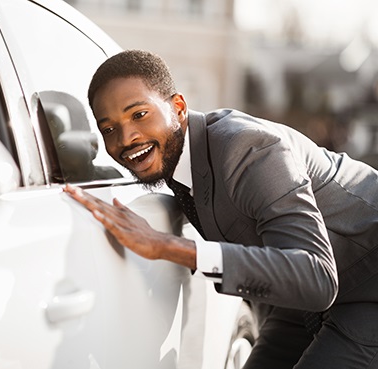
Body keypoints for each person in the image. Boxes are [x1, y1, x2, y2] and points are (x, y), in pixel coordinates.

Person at [64, 49, 378, 369]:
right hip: (298, 300)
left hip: (367, 284)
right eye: (109, 129)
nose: (126, 137)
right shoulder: (177, 156)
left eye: (139, 114)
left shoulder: (247, 149)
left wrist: (168, 247)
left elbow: (317, 276)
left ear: (179, 107)